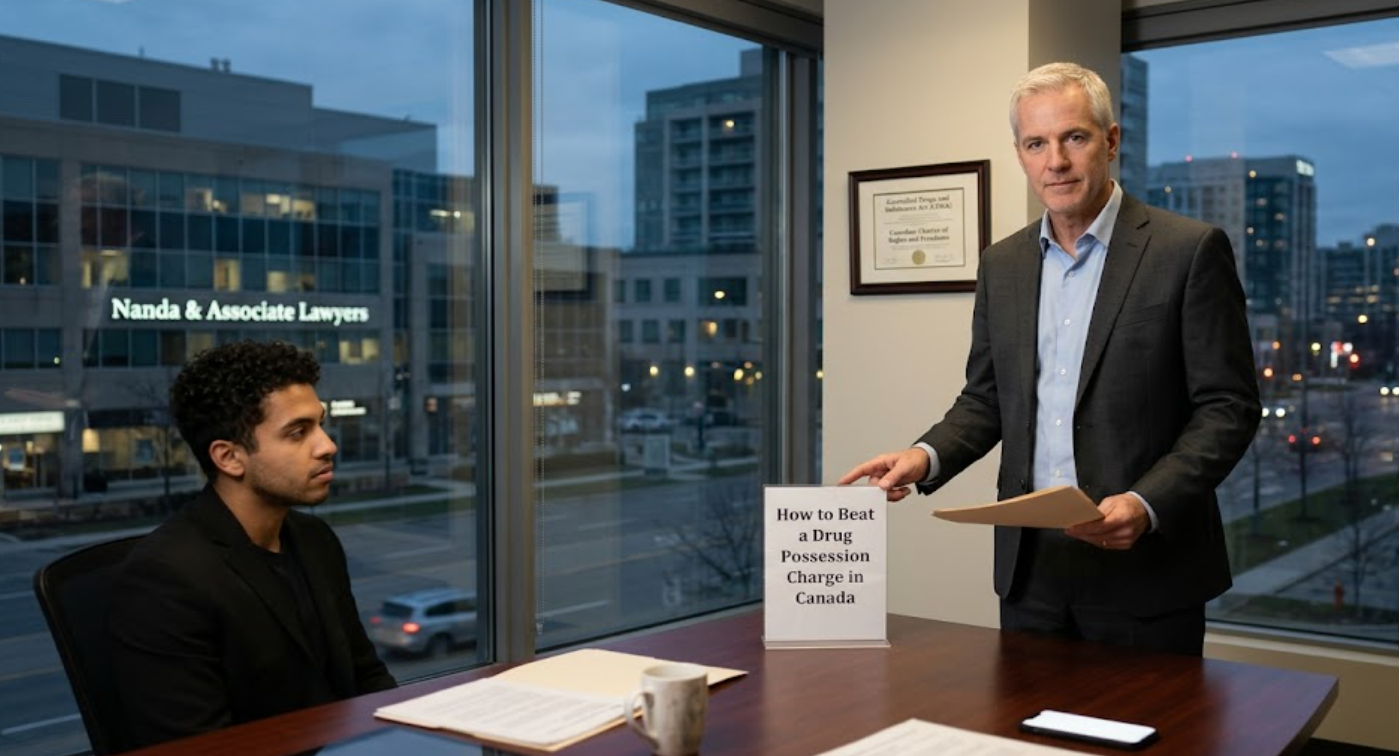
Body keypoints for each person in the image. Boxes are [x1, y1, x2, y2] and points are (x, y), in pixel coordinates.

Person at [838, 62, 1260, 656]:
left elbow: (1228, 408)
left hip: (1147, 569)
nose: (1055, 161)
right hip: (1030, 574)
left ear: (1110, 142)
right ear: (1020, 154)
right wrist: (923, 456)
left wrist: (1146, 503)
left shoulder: (1187, 251)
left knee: (1149, 746)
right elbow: (986, 399)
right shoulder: (1002, 265)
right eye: (1037, 143)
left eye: (1075, 138)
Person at [109, 341, 396, 749]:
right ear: (229, 458)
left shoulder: (315, 540)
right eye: (298, 432)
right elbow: (198, 748)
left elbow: (366, 676)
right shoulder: (165, 579)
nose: (327, 445)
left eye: (320, 424)